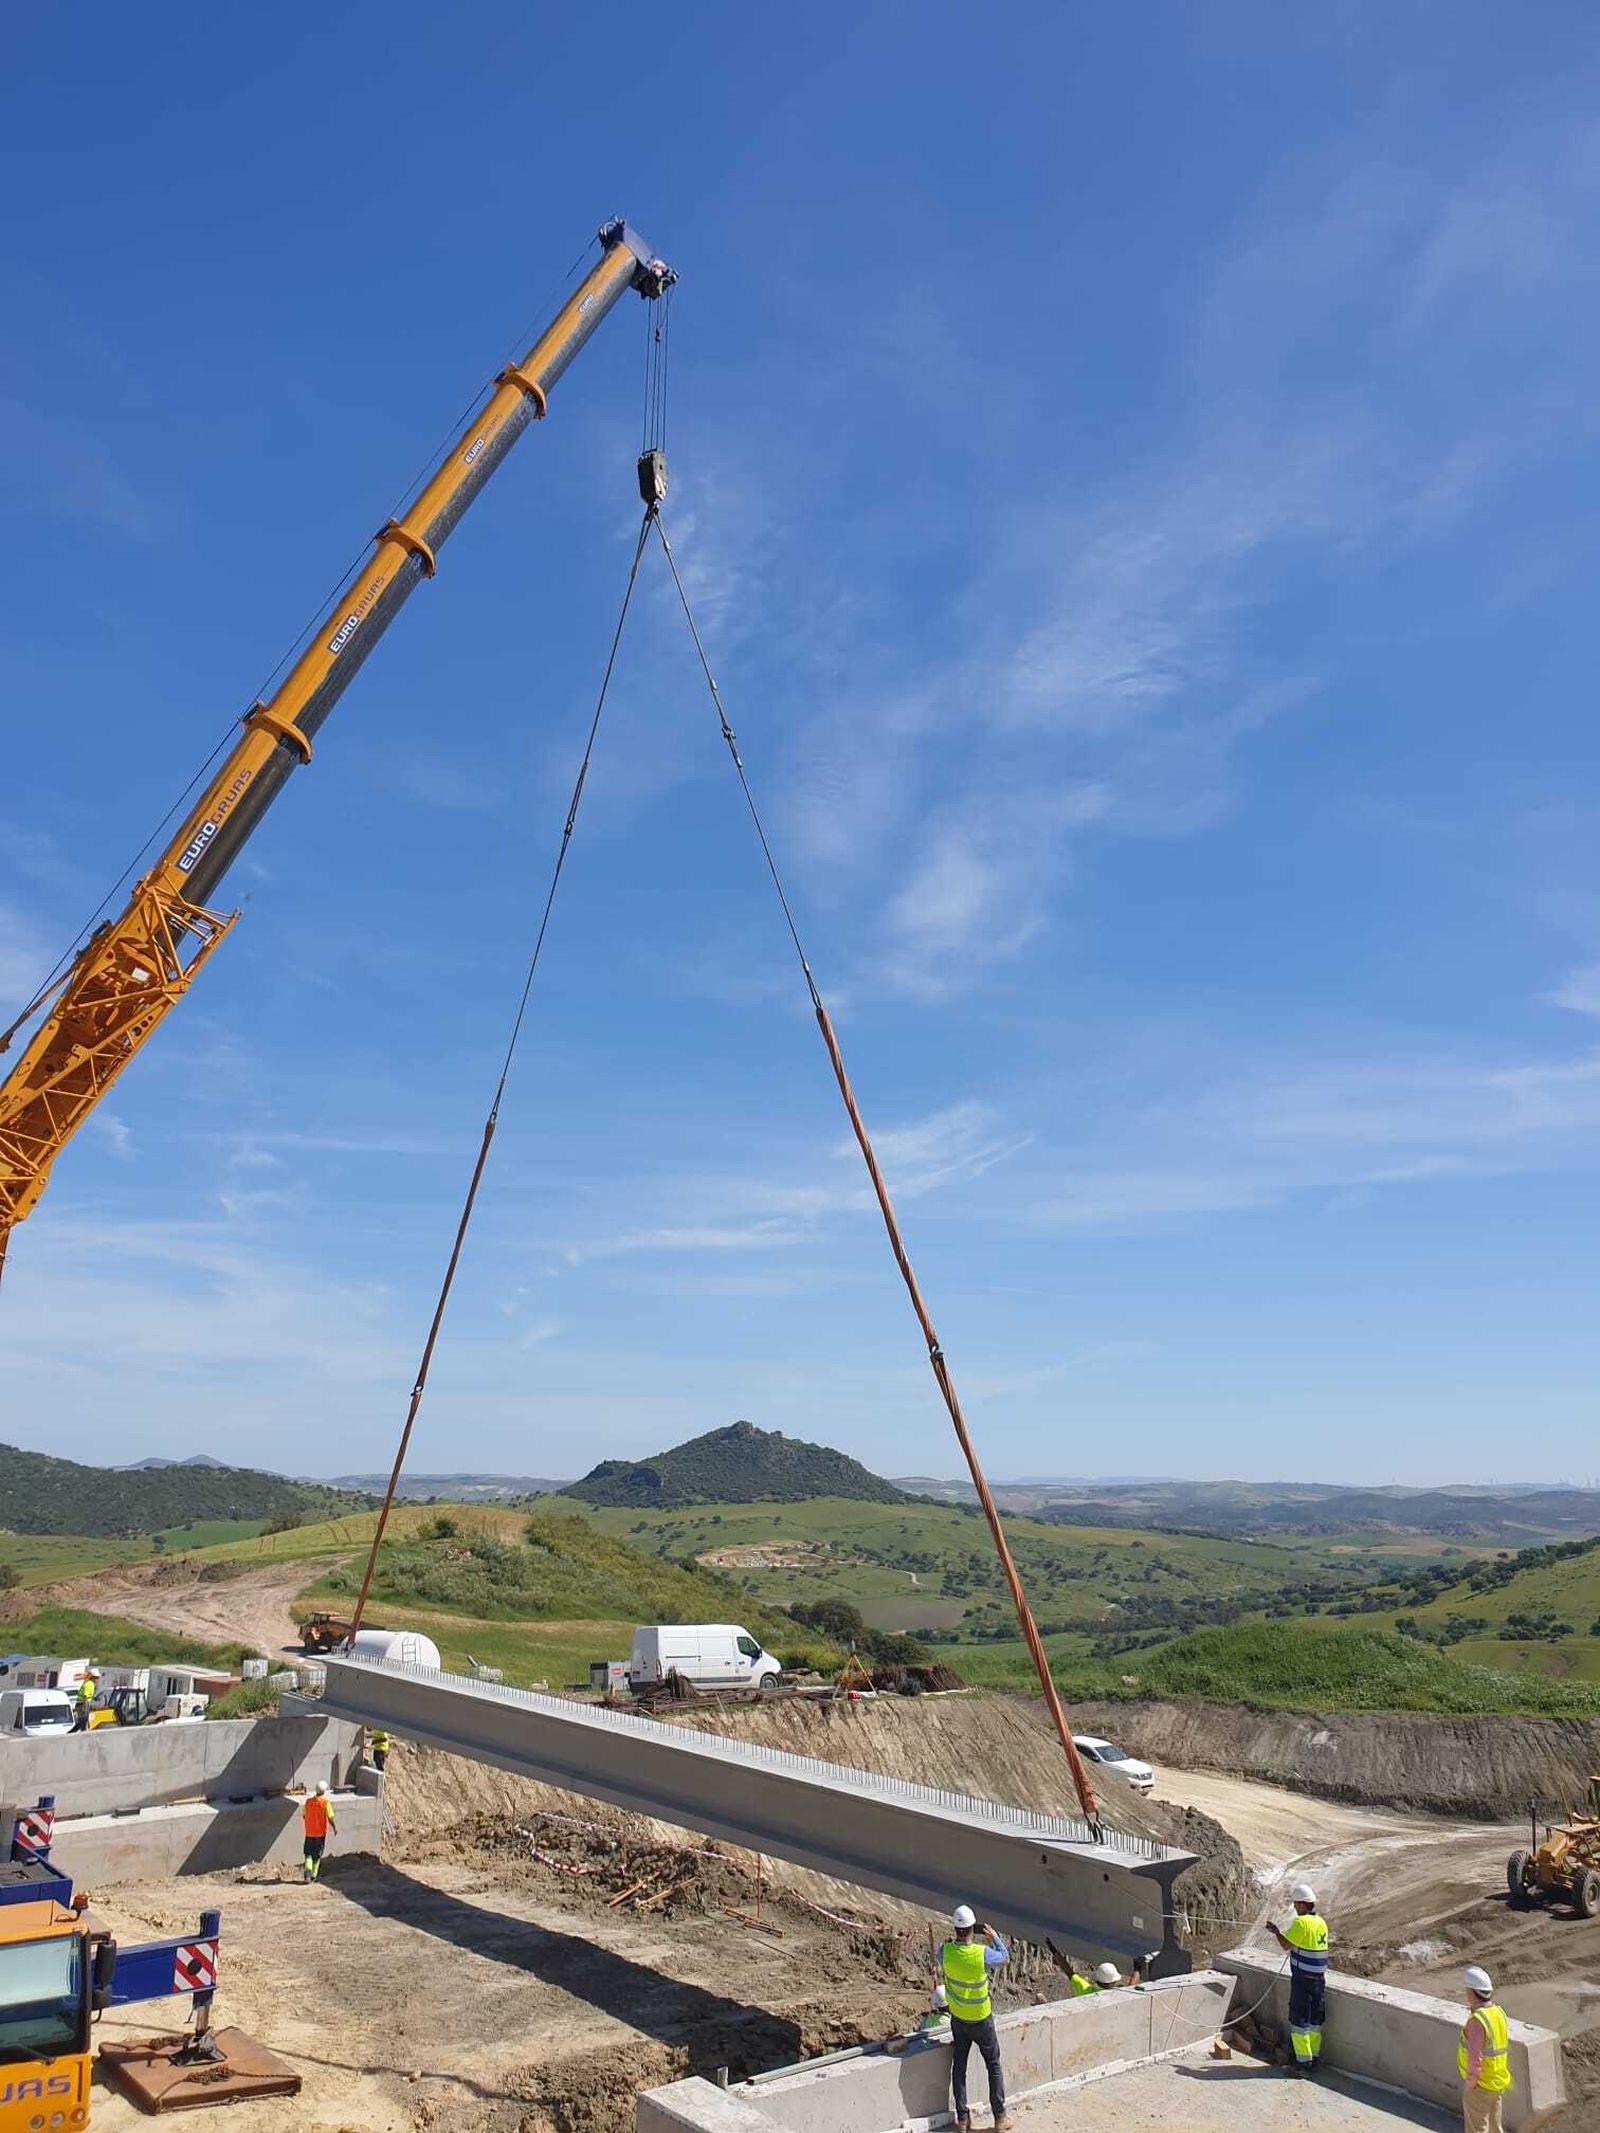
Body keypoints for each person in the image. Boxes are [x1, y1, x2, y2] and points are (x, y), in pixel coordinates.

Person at [941, 1903, 1014, 2132]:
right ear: (974, 1929)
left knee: (959, 2066)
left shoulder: (946, 1951)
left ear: (955, 1929)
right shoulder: (981, 1954)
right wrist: (994, 1937)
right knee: (993, 2065)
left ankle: (962, 2120)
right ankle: (1000, 2117)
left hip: (958, 2018)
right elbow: (1004, 1958)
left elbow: (940, 1956)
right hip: (981, 2019)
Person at [1269, 1881, 1329, 2075]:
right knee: (1314, 2021)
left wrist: (1277, 1932)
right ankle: (1314, 2057)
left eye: (1296, 1904)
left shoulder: (1301, 1923)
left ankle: (1303, 2063)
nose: (1294, 1907)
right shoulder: (1321, 1922)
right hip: (1319, 1980)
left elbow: (1286, 1944)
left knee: (1299, 2020)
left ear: (1303, 1904)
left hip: (1303, 1980)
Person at [1459, 1966, 1512, 2131]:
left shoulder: (1477, 2021)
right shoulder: (1498, 2013)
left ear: (1472, 1992)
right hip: (1496, 2081)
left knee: (1477, 2128)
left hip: (1480, 2085)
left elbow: (1475, 2059)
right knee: (1495, 2127)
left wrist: (1470, 2083)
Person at [301, 1780, 337, 1883]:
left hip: (309, 1833)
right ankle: (313, 1875)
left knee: (308, 1854)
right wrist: (334, 1827)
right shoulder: (325, 1803)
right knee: (317, 1855)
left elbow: (304, 1815)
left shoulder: (308, 1802)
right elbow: (330, 1817)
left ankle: (307, 1874)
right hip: (320, 1833)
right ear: (324, 1791)